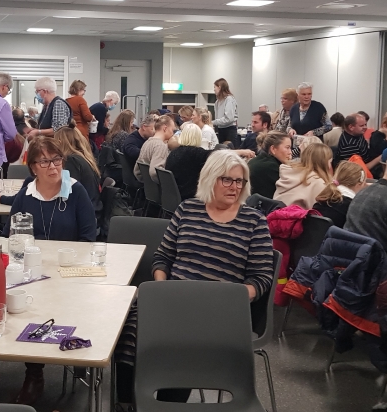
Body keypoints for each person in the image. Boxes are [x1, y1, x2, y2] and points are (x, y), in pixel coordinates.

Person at [114, 150, 275, 403]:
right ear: (211, 178)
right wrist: (161, 289)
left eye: (239, 181)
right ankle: (127, 403)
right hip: (174, 298)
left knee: (181, 340)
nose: (235, 187)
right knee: (130, 328)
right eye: (227, 179)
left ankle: (168, 405)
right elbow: (163, 257)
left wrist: (233, 298)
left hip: (218, 308)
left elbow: (261, 277)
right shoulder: (188, 209)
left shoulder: (253, 221)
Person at [0, 138, 97, 405]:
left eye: (57, 160)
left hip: (62, 274)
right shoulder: (26, 193)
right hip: (25, 270)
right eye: (45, 162)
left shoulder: (75, 191)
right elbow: (9, 234)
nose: (53, 167)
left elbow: (89, 239)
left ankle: (34, 376)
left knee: (38, 308)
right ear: (33, 168)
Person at [54, 126, 102, 216]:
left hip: (84, 214)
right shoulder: (85, 159)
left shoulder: (71, 161)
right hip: (92, 209)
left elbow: (66, 193)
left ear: (59, 142)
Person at [274, 143, 333, 209]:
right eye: (330, 161)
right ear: (324, 162)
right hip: (296, 215)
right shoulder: (319, 183)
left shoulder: (288, 173)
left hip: (275, 213)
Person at [313, 161, 367, 228]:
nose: (366, 186)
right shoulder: (353, 208)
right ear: (359, 184)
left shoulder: (323, 199)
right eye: (364, 183)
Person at [166, 123, 213, 201]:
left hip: (174, 195)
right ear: (198, 137)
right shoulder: (197, 153)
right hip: (189, 195)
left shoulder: (173, 152)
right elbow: (216, 155)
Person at [249, 132, 291, 199]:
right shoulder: (272, 167)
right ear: (273, 149)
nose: (290, 152)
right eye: (287, 148)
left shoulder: (254, 161)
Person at [134, 115, 174, 180]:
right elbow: (154, 172)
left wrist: (147, 182)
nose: (173, 133)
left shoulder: (147, 142)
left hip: (147, 184)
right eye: (172, 130)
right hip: (157, 185)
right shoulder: (160, 146)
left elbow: (137, 171)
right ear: (165, 128)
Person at [212, 78, 238, 144]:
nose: (214, 89)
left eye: (215, 87)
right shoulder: (217, 102)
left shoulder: (229, 99)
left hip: (229, 130)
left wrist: (213, 122)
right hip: (220, 129)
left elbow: (228, 119)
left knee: (229, 149)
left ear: (219, 87)